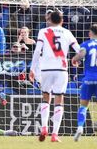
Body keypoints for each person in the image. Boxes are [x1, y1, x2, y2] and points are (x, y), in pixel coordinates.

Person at [29, 10, 80, 142]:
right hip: (61, 69)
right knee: (59, 98)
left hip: (46, 69)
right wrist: (76, 59)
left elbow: (37, 51)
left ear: (50, 20)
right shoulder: (67, 33)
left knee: (46, 96)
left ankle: (44, 127)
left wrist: (32, 69)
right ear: (62, 21)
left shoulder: (43, 31)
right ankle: (55, 134)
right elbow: (78, 50)